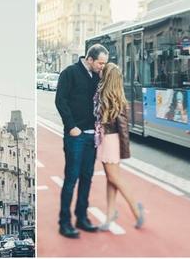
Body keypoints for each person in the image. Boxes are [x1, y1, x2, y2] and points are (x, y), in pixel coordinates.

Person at [55, 44, 109, 238]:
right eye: (100, 63)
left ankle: (81, 217)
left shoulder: (97, 76)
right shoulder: (69, 73)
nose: (102, 67)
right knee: (71, 179)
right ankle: (64, 222)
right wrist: (71, 127)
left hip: (91, 135)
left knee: (87, 177)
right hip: (76, 136)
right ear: (90, 59)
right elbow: (60, 100)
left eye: (104, 64)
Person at [93, 63, 145, 231]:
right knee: (110, 178)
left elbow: (122, 126)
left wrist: (124, 147)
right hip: (106, 139)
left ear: (108, 77)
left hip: (110, 140)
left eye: (103, 71)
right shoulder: (108, 94)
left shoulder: (110, 97)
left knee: (114, 178)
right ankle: (110, 215)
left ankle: (136, 209)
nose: (100, 72)